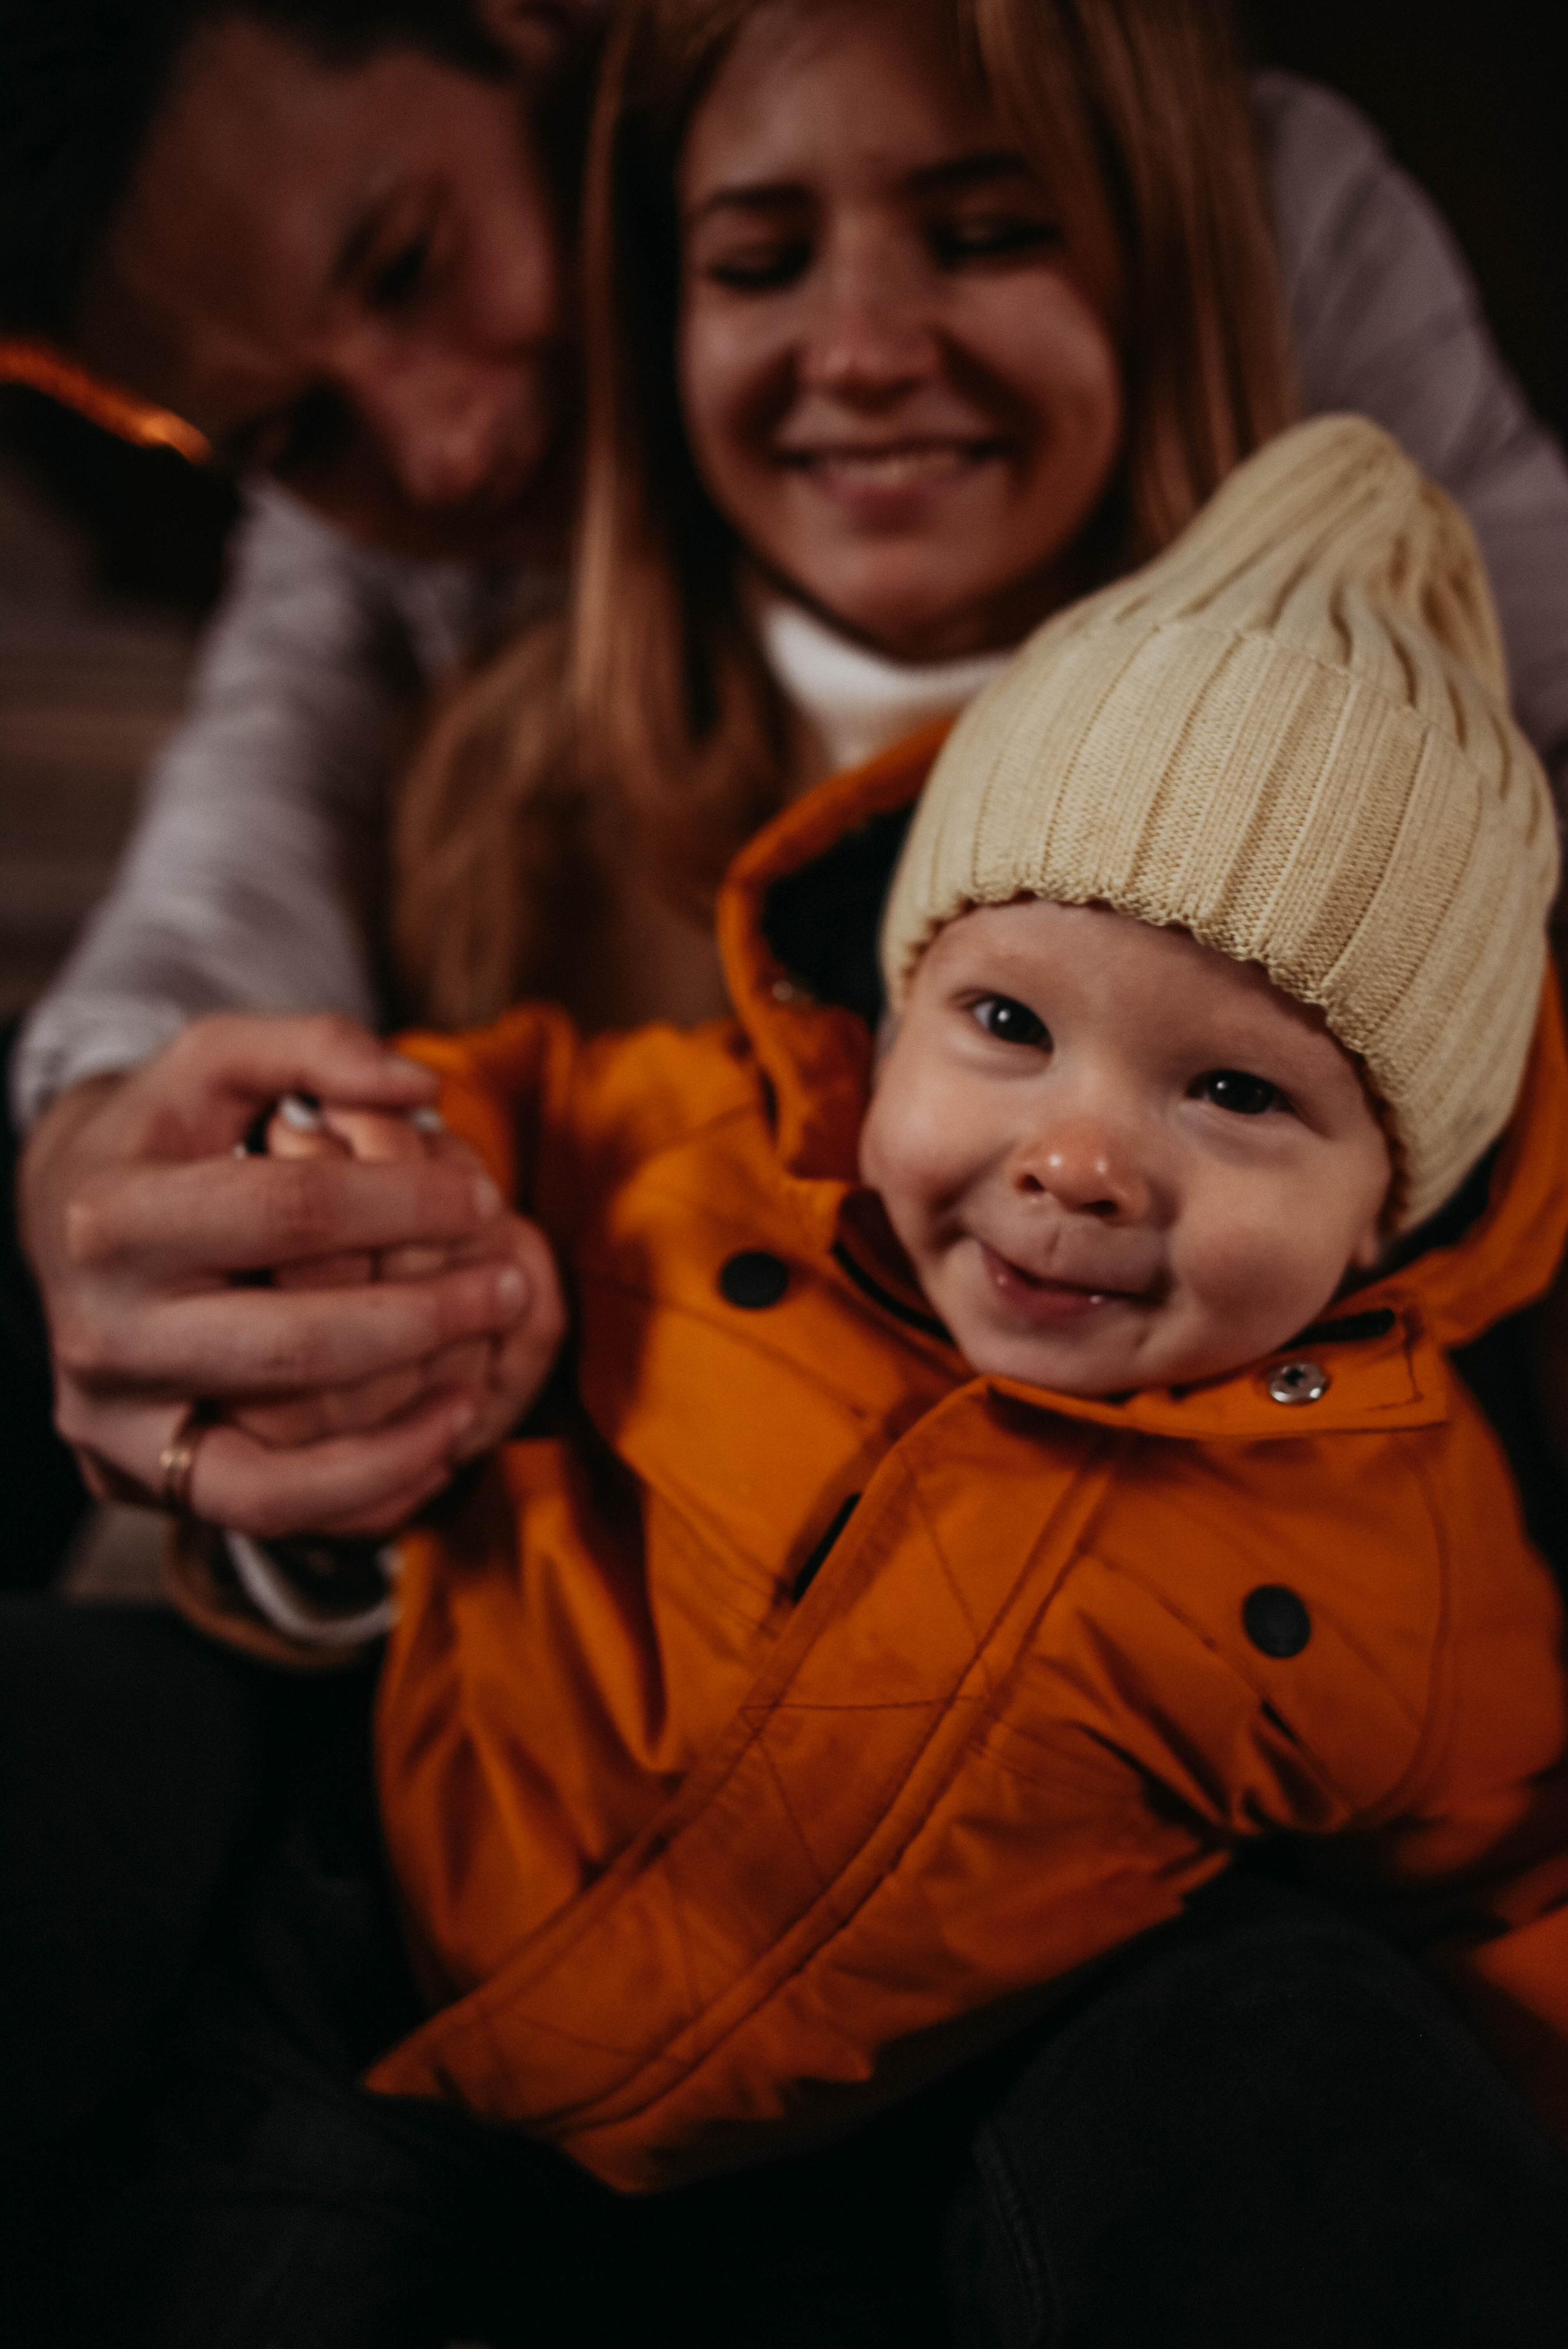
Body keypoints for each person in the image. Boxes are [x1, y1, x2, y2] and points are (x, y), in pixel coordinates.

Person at [132, 415, 1568, 2342]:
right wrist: (357, 1172)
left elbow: (1504, 1898)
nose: (1079, 1159)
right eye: (1007, 1021)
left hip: (837, 2169)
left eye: (1235, 1091)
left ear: (1393, 1207)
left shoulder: (1409, 1551)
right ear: (890, 1017)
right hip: (371, 1972)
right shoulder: (687, 1147)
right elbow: (471, 1105)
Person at [5, 0, 1568, 1548]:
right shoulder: (504, 798)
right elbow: (244, 850)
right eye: (292, 435)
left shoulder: (1275, 234)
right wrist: (160, 1193)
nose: (446, 448)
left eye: (412, 260)